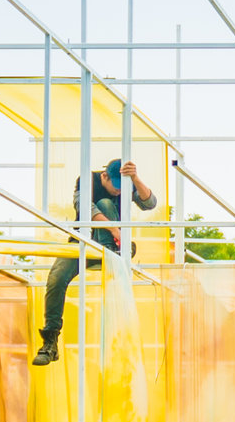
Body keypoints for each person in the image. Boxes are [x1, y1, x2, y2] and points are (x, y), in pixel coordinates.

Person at [33, 157, 158, 366]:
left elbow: (150, 203)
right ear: (104, 176)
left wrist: (135, 178)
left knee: (107, 203)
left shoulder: (127, 185)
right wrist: (115, 230)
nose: (119, 192)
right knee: (56, 278)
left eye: (122, 188)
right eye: (115, 187)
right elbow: (85, 208)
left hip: (110, 246)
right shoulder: (87, 180)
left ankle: (111, 253)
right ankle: (50, 340)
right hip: (82, 242)